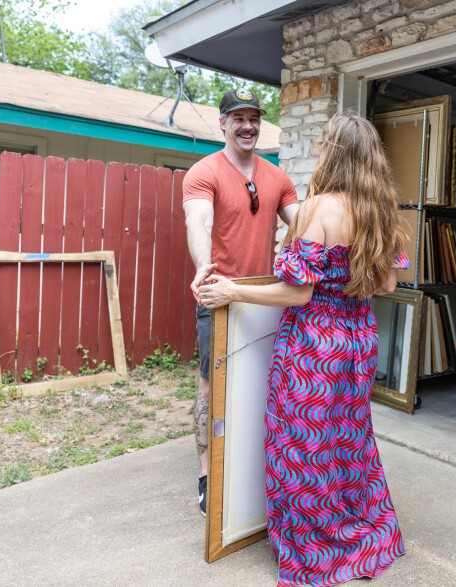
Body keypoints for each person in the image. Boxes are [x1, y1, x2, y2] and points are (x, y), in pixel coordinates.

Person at [199, 114, 408, 586]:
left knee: (301, 447)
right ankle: (359, 535)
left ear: (332, 151)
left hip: (315, 345)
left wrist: (233, 290)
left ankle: (315, 550)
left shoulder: (318, 209)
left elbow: (298, 293)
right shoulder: (381, 210)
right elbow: (388, 285)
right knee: (347, 443)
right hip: (358, 339)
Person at [183, 88, 299, 516]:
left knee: (261, 382)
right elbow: (198, 221)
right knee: (211, 386)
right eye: (238, 118)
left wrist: (295, 252)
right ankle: (206, 475)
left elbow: (303, 223)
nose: (247, 126)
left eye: (254, 118)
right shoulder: (204, 172)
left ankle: (250, 467)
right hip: (218, 293)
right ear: (223, 123)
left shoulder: (277, 177)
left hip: (264, 297)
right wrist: (203, 267)